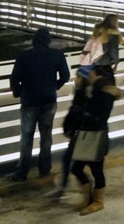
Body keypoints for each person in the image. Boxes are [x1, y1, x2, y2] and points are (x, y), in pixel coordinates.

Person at [8, 27, 71, 182]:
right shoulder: (57, 55)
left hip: (29, 100)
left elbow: (14, 79)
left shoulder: (24, 56)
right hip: (49, 100)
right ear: (49, 41)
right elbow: (66, 75)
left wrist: (18, 92)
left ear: (34, 41)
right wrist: (54, 86)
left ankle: (22, 172)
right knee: (46, 136)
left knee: (26, 138)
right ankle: (44, 169)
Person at [69, 64, 122, 214]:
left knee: (96, 169)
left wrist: (83, 108)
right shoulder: (94, 90)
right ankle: (89, 196)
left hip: (96, 135)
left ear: (98, 75)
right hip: (88, 133)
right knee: (77, 168)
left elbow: (93, 112)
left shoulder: (102, 92)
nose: (89, 76)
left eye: (91, 74)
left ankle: (98, 201)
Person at [45, 66, 92, 200]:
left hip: (81, 135)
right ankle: (66, 188)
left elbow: (77, 113)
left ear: (83, 79)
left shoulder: (84, 95)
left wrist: (71, 127)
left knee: (74, 164)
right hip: (79, 134)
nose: (75, 80)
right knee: (71, 162)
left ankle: (87, 190)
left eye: (78, 77)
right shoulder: (82, 93)